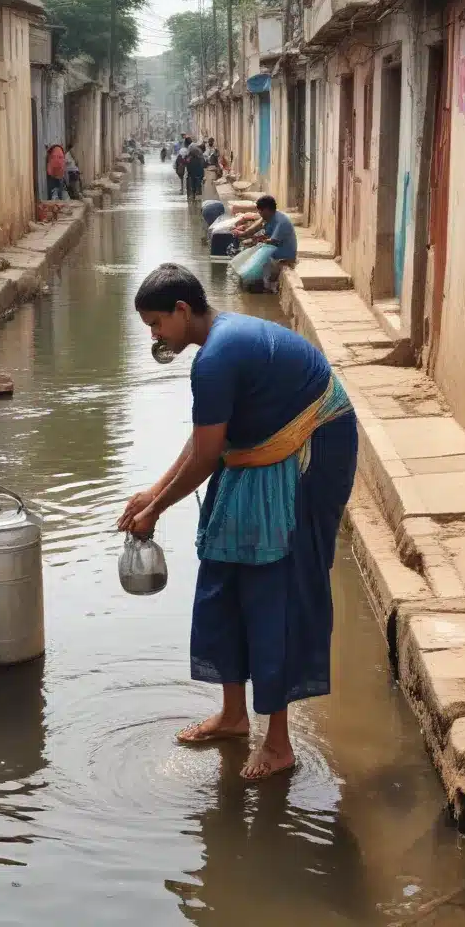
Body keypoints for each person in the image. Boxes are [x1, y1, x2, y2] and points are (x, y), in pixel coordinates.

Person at [118, 264, 357, 782]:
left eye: (156, 324)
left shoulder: (217, 357)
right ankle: (231, 715)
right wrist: (153, 491)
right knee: (223, 571)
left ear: (183, 311)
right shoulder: (216, 352)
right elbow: (212, 439)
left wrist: (157, 509)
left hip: (314, 450)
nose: (155, 337)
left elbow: (207, 456)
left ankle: (278, 743)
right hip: (256, 453)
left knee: (280, 587)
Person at [234, 194, 298, 293]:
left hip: (283, 254)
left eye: (260, 210)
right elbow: (255, 227)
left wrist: (257, 239)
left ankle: (268, 286)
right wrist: (243, 234)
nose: (259, 213)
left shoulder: (281, 221)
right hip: (273, 249)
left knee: (261, 259)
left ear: (268, 210)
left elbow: (273, 241)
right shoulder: (268, 217)